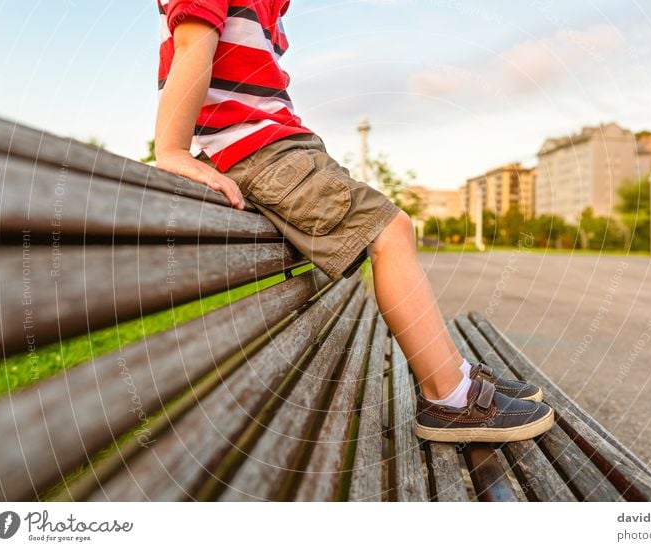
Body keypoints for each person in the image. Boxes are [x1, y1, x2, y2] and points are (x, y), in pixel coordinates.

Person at [153, 0, 554, 442]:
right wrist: (171, 149)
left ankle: (453, 372)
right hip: (257, 149)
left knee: (392, 228)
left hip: (282, 145)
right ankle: (449, 397)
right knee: (391, 230)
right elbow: (191, 43)